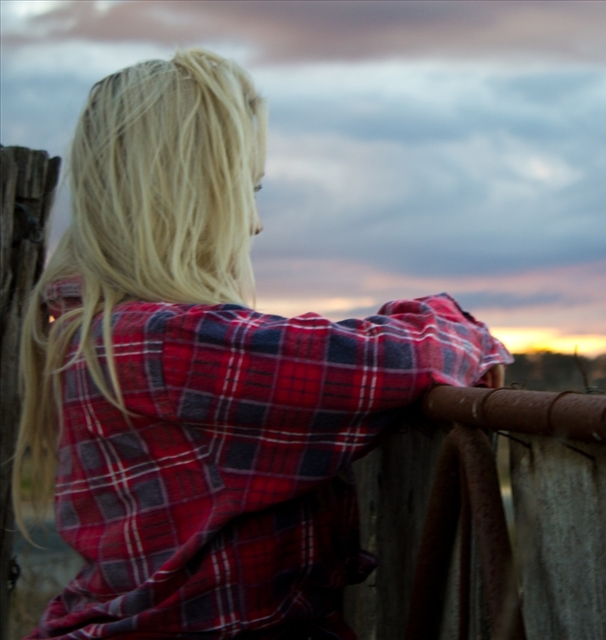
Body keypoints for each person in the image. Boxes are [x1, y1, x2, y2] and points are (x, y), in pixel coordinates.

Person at [13, 49, 511, 639]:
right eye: (246, 190)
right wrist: (463, 328)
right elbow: (407, 357)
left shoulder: (91, 332)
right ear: (186, 194)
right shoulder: (162, 346)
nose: (255, 223)